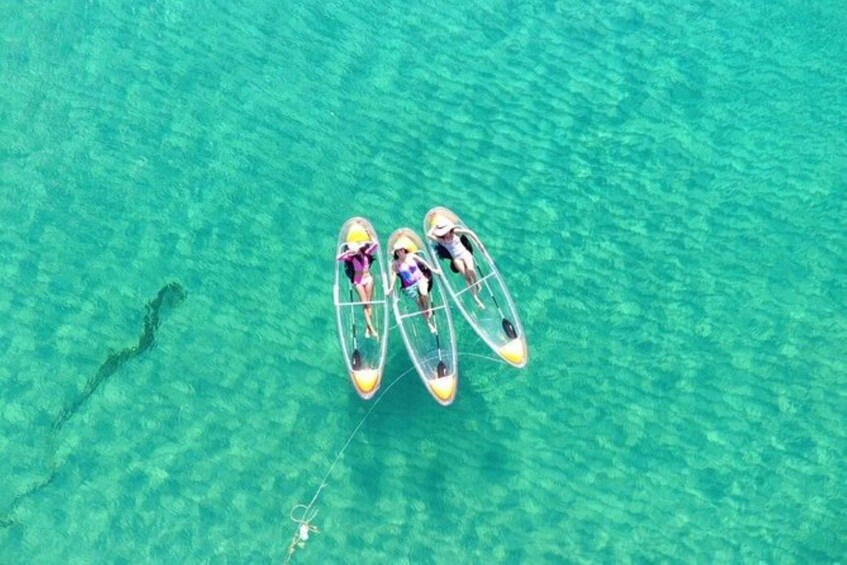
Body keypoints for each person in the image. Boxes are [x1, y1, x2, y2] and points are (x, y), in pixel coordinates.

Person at [426, 219, 485, 308]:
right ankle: (475, 297)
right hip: (457, 258)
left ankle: (477, 283)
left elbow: (469, 232)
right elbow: (428, 235)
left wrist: (479, 243)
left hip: (465, 253)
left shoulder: (455, 232)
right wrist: (435, 226)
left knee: (470, 268)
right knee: (467, 277)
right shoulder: (442, 240)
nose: (445, 233)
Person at [386, 241, 442, 333]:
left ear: (404, 250)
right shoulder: (395, 264)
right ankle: (429, 324)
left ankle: (428, 308)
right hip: (409, 287)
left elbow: (424, 262)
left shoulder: (411, 256)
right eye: (397, 251)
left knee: (424, 294)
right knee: (419, 304)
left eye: (401, 250)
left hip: (421, 279)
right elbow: (394, 276)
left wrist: (433, 270)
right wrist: (391, 288)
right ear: (396, 253)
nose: (400, 252)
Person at [336, 238, 379, 338]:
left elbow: (376, 244)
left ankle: (368, 329)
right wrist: (348, 252)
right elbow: (338, 258)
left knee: (369, 304)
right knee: (365, 304)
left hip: (368, 279)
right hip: (358, 281)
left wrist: (369, 235)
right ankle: (372, 329)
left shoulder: (366, 253)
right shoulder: (351, 257)